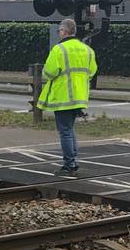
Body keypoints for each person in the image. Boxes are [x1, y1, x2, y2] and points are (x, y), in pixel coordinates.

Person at [37, 18, 97, 178]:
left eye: (59, 31)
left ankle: (69, 164)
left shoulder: (59, 50)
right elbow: (92, 71)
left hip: (63, 96)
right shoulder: (87, 50)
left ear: (64, 31)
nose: (59, 34)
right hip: (80, 96)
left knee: (65, 131)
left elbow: (49, 72)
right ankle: (73, 161)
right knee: (70, 130)